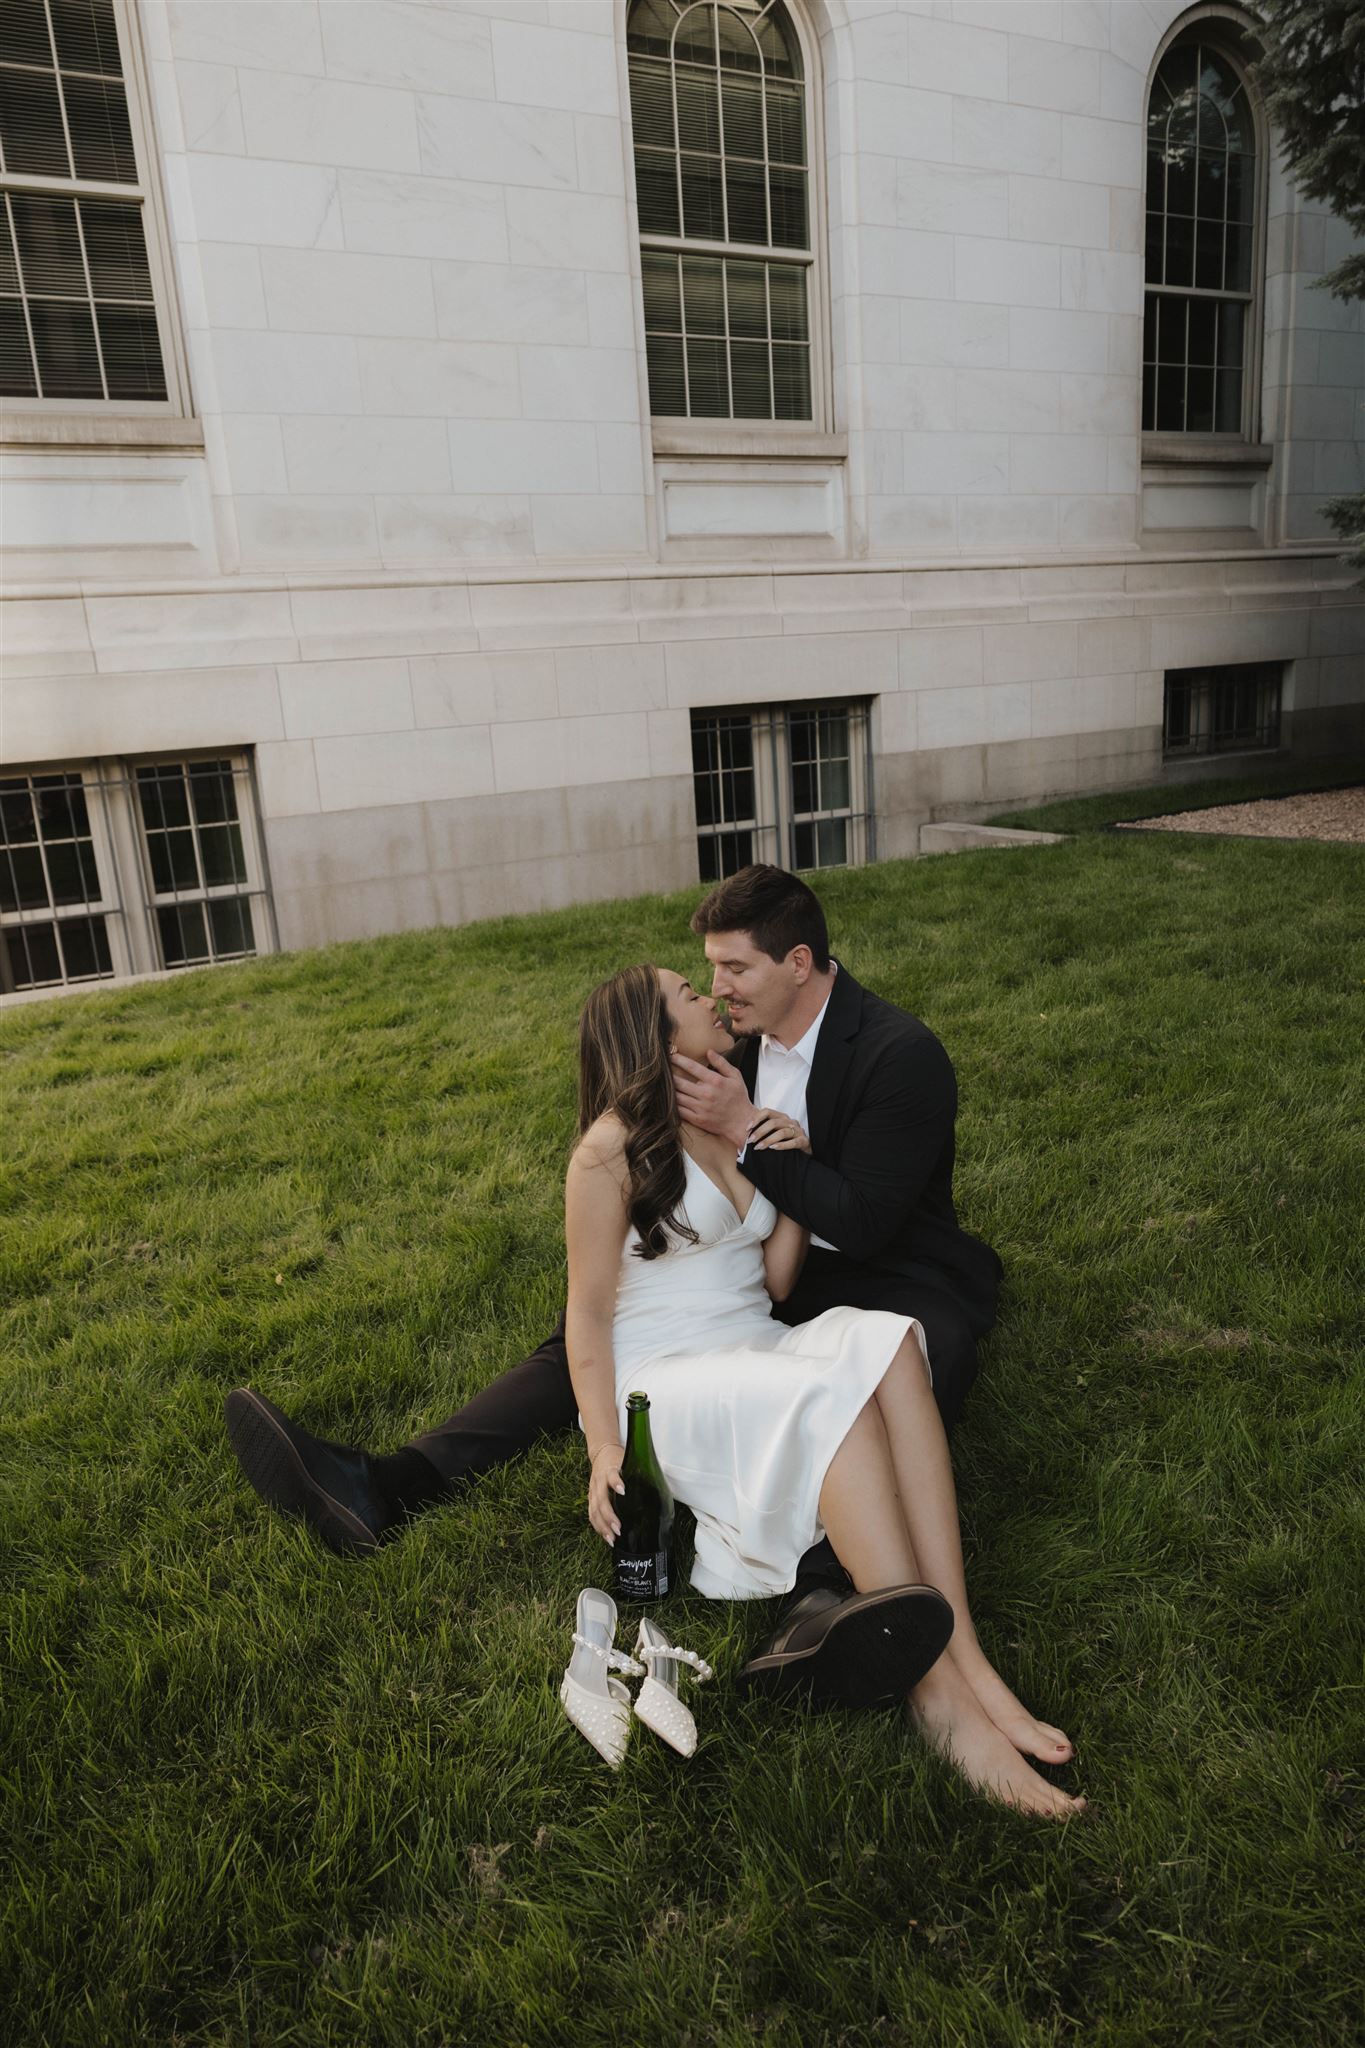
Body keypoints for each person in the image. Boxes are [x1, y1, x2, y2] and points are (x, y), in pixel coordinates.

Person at [224, 865, 1002, 1710]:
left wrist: (767, 1152)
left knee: (915, 1348)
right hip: (713, 1306)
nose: (716, 992)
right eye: (701, 979)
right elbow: (600, 1303)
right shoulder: (681, 1091)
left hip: (871, 1263)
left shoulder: (894, 1054)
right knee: (587, 1335)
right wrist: (606, 1443)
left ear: (800, 964)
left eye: (732, 971)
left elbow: (863, 1221)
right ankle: (392, 1483)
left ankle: (828, 1593)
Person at [567, 961, 1080, 1818]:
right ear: (653, 1038)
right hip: (671, 1379)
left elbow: (772, 1283)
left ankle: (965, 1647)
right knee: (821, 1399)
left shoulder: (732, 1118)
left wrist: (788, 1175)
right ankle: (939, 1702)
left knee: (884, 1345)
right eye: (687, 995)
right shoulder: (609, 1150)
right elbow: (585, 1318)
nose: (708, 994)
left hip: (750, 1343)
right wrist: (603, 1447)